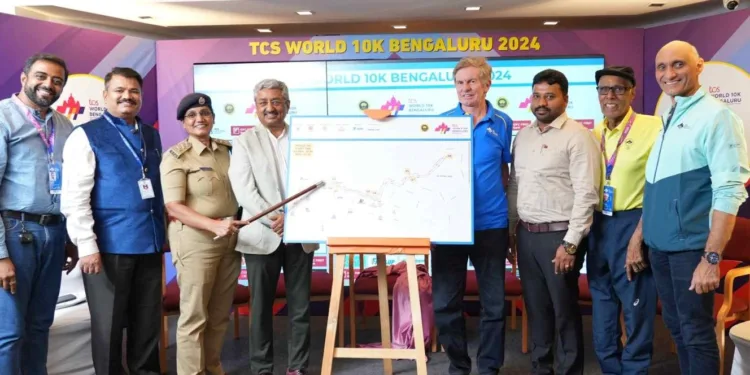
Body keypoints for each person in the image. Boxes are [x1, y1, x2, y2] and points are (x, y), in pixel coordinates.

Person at [643, 40, 750, 374]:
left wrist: (711, 259)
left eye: (678, 64)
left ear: (699, 65)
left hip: (691, 249)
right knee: (677, 328)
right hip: (661, 248)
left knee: (695, 333)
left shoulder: (717, 116)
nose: (668, 73)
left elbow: (729, 190)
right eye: (662, 67)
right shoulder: (670, 113)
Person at [61, 67, 166, 375]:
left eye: (134, 91)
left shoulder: (150, 134)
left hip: (149, 243)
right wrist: (86, 245)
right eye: (119, 90)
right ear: (105, 95)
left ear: (141, 97)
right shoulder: (86, 135)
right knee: (109, 326)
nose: (127, 96)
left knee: (147, 323)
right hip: (108, 247)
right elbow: (75, 197)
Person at [508, 69, 601, 375]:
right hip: (527, 234)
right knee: (536, 309)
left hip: (560, 236)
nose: (542, 102)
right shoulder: (523, 136)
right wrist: (512, 232)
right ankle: (541, 368)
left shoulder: (577, 136)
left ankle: (570, 370)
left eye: (550, 96)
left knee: (564, 310)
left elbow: (587, 193)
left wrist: (571, 244)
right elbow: (515, 186)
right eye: (537, 95)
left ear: (565, 99)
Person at [228, 78, 318, 375]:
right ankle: (262, 367)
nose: (270, 108)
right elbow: (244, 191)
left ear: (287, 105)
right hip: (261, 235)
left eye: (276, 101)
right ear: (255, 108)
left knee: (300, 308)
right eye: (263, 102)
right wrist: (276, 218)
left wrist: (293, 219)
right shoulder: (244, 141)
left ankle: (298, 367)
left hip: (300, 234)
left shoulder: (306, 137)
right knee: (260, 309)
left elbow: (317, 185)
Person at [433, 56, 514, 375]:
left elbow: (506, 172)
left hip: (491, 226)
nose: (465, 88)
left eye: (471, 81)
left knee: (493, 305)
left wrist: (509, 222)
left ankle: (489, 368)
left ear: (486, 84)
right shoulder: (440, 124)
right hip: (449, 228)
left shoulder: (503, 123)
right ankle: (458, 365)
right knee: (444, 305)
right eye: (459, 82)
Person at [0, 53, 78, 373]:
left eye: (57, 80)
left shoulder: (65, 125)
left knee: (40, 326)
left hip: (54, 232)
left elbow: (71, 186)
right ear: (24, 77)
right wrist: (1, 255)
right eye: (42, 76)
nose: (49, 85)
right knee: (11, 332)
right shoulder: (3, 117)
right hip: (15, 233)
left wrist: (70, 239)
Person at [160, 93, 245, 375]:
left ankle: (213, 367)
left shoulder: (229, 150)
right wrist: (213, 226)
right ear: (184, 123)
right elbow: (174, 206)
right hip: (196, 241)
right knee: (194, 316)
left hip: (230, 239)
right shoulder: (176, 157)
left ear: (213, 118)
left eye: (205, 113)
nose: (200, 119)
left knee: (220, 314)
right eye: (192, 116)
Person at [588, 66, 661, 374]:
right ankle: (610, 369)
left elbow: (659, 186)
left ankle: (634, 369)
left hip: (634, 224)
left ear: (632, 92)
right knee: (603, 306)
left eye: (618, 89)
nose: (610, 95)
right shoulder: (594, 133)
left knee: (636, 307)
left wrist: (639, 237)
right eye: (604, 89)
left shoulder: (653, 127)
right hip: (598, 225)